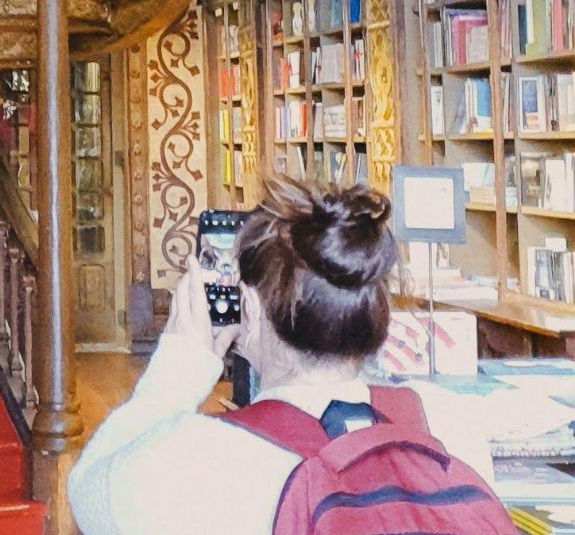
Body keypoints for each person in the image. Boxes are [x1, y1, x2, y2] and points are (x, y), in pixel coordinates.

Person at [67, 180, 504, 535]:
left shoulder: (198, 459)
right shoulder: (451, 424)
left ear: (251, 309)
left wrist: (181, 365)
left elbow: (85, 493)